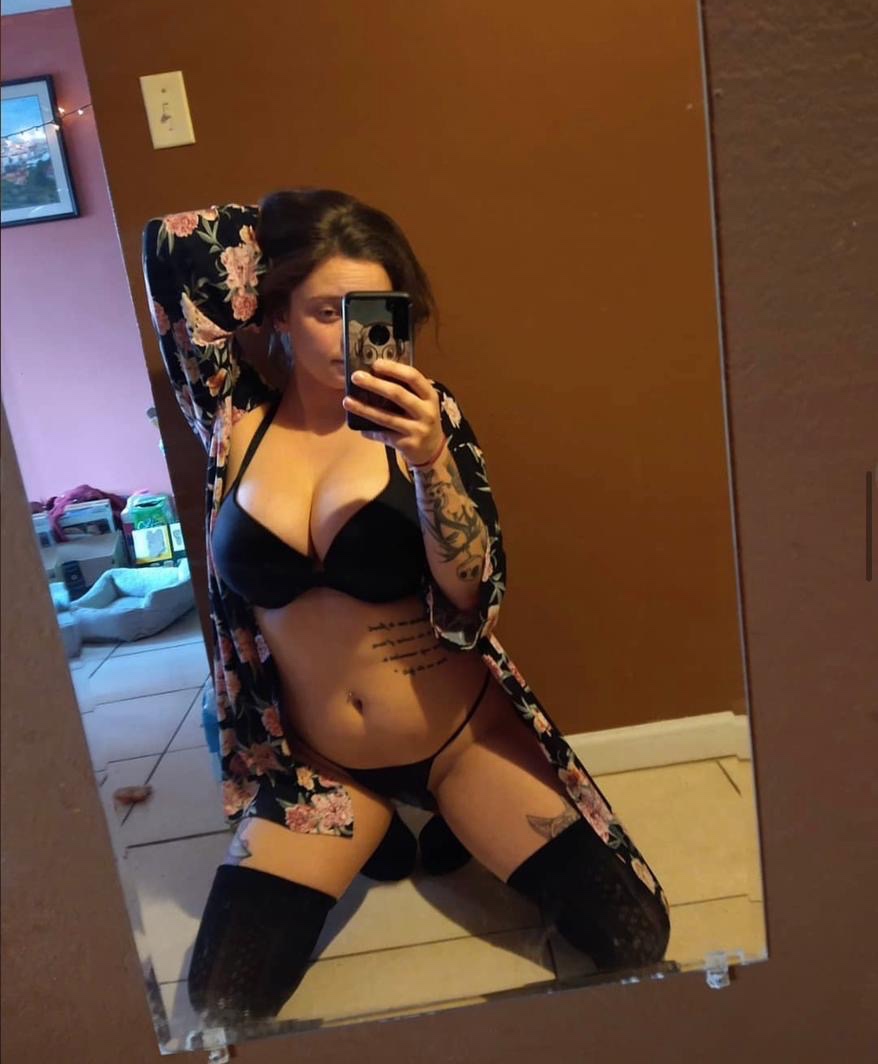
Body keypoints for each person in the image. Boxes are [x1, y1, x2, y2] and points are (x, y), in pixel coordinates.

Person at [142, 191, 670, 1026]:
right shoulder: (233, 420)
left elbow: (472, 595)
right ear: (274, 311)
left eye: (371, 310)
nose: (349, 335)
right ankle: (378, 830)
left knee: (634, 936)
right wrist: (284, 229)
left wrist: (428, 462)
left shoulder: (428, 419)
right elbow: (170, 248)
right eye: (325, 311)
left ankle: (450, 819)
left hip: (458, 742)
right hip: (324, 767)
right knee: (222, 1005)